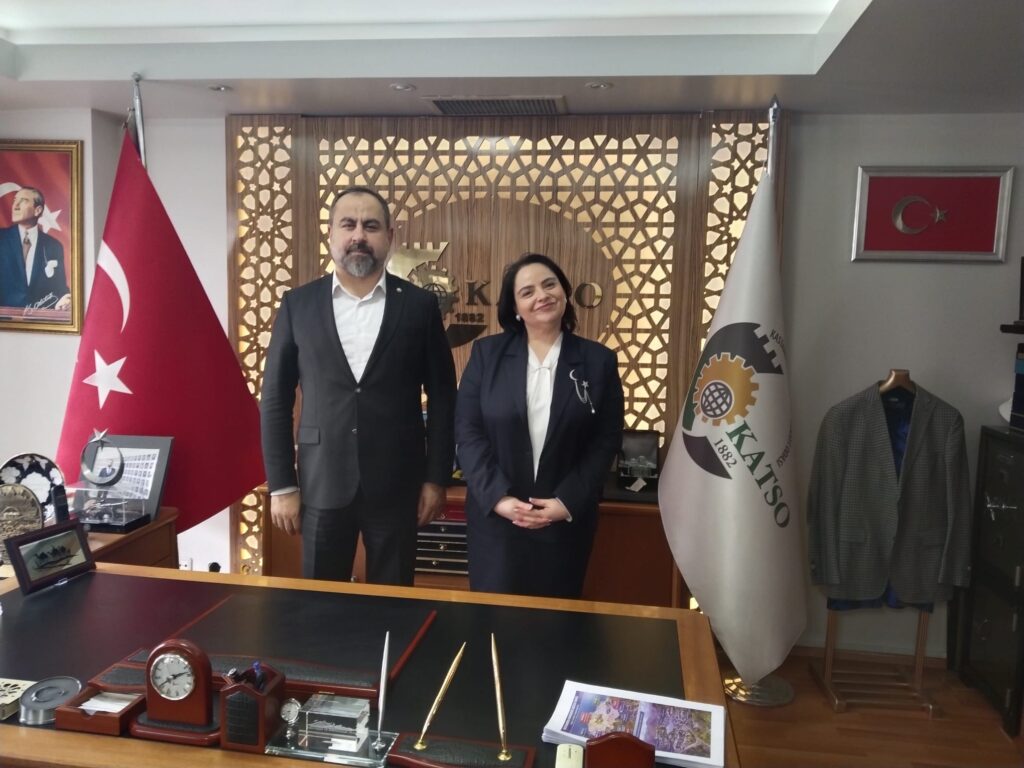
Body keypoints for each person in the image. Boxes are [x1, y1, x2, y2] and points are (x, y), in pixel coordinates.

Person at [260, 186, 457, 586]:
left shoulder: (419, 306)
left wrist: (436, 478)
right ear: (331, 234)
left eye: (371, 226)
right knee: (320, 604)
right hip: (321, 481)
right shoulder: (298, 305)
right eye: (348, 224)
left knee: (394, 604)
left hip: (397, 483)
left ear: (390, 236)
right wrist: (281, 484)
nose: (358, 236)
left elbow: (443, 399)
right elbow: (275, 400)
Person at [455, 253, 624, 598]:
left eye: (550, 285)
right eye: (527, 291)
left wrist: (567, 501)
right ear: (515, 307)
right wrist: (498, 498)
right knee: (493, 619)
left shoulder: (598, 361)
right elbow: (467, 432)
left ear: (565, 292)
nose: (542, 296)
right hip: (498, 521)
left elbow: (605, 441)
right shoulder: (487, 355)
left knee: (556, 622)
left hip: (563, 522)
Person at [0, 186, 71, 310]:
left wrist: (66, 299)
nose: (15, 206)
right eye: (15, 200)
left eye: (23, 201)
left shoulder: (54, 246)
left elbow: (59, 289)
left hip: (39, 319)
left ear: (37, 210)